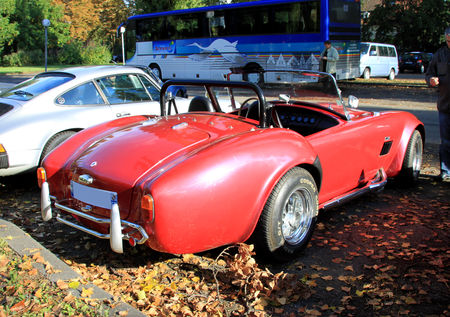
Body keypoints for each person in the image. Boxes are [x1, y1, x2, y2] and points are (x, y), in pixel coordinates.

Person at [425, 26, 450, 182]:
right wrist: (431, 81)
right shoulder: (439, 55)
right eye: (448, 40)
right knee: (446, 141)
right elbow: (429, 74)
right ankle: (445, 171)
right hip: (445, 105)